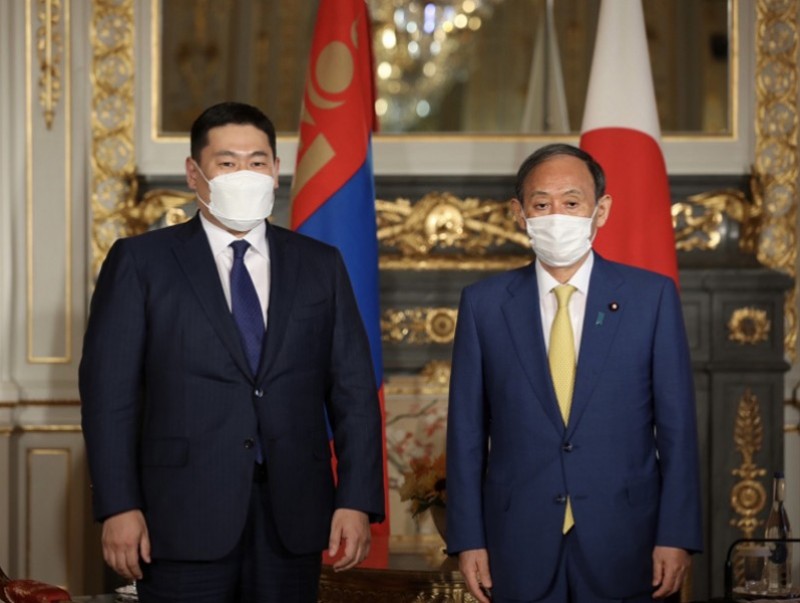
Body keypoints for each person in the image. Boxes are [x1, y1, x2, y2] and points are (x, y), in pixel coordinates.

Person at [79, 101, 384, 603]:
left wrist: (356, 499)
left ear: (277, 170)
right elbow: (110, 398)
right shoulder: (140, 262)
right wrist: (118, 506)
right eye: (227, 162)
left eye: (257, 161)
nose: (245, 173)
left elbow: (353, 391)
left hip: (293, 517)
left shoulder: (320, 265)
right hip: (178, 517)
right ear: (194, 173)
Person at [446, 143, 702, 603]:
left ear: (600, 210)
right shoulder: (484, 304)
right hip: (516, 542)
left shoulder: (651, 299)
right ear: (519, 213)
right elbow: (465, 434)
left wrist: (677, 535)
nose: (556, 216)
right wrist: (467, 539)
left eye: (571, 202)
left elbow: (677, 430)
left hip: (627, 541)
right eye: (541, 204)